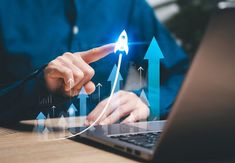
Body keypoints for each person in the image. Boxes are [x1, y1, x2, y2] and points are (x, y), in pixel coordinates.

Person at [0, 0, 189, 126]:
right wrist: (42, 86)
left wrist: (148, 101)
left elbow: (182, 74)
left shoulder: (127, 5)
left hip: (107, 149)